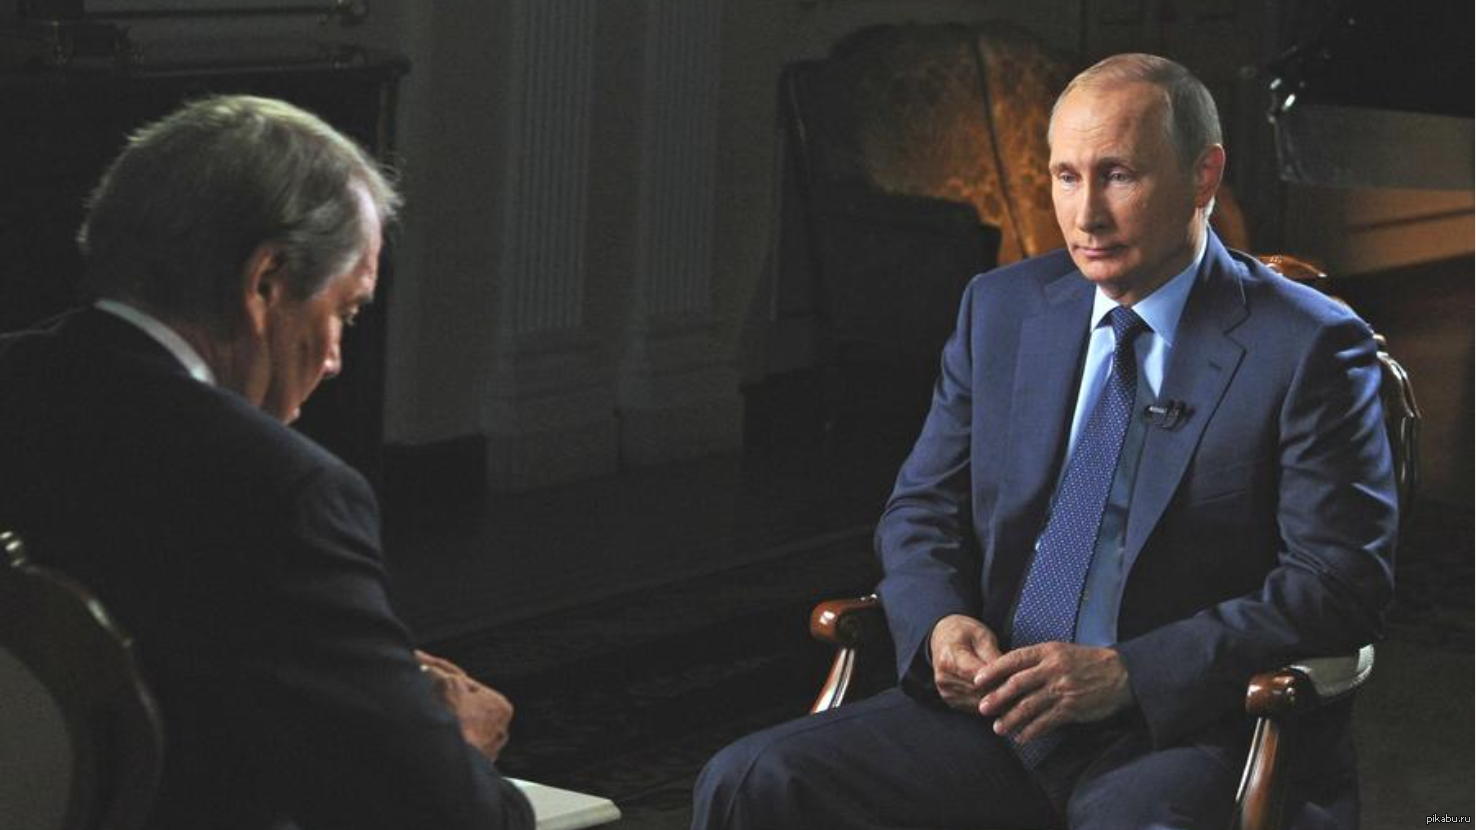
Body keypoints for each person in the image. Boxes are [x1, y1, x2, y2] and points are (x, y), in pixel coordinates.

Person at [692, 53, 1397, 830]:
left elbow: (1338, 585)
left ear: (1203, 176)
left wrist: (1127, 674)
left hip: (1182, 728)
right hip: (996, 710)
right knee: (750, 780)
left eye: (1118, 175)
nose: (1086, 215)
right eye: (1066, 176)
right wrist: (939, 624)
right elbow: (922, 508)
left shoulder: (1308, 345)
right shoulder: (1001, 308)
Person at [0, 96, 534, 830]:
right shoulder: (283, 493)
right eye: (344, 312)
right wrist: (461, 740)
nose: (336, 359)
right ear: (266, 282)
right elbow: (446, 815)